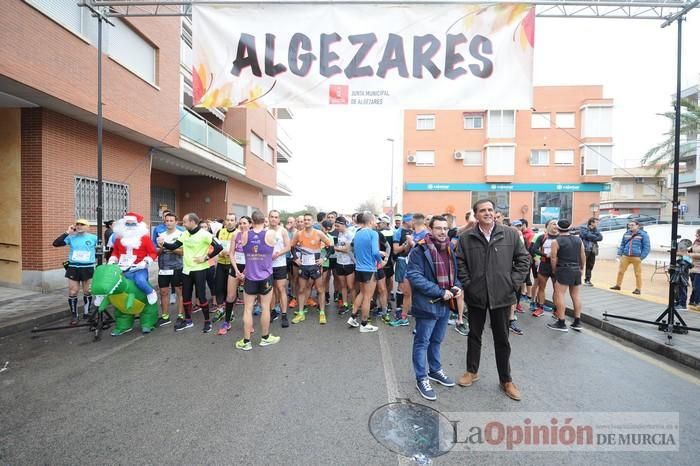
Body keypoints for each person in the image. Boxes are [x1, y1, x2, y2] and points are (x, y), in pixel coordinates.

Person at [455, 199, 530, 401]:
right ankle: (472, 371)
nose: (487, 213)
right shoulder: (466, 237)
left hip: (502, 296)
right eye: (482, 211)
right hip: (476, 295)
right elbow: (459, 262)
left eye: (490, 210)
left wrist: (512, 282)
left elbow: (524, 260)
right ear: (476, 215)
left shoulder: (510, 234)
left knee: (502, 339)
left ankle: (506, 380)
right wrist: (469, 284)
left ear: (495, 213)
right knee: (474, 335)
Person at [408, 216, 462, 401]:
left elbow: (455, 273)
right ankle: (421, 378)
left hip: (445, 303)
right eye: (438, 228)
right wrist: (439, 291)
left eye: (445, 228)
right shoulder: (420, 249)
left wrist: (457, 286)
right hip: (427, 304)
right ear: (430, 229)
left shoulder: (449, 247)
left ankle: (435, 370)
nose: (442, 232)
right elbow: (414, 276)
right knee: (422, 341)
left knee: (437, 340)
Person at [159, 212, 223, 333]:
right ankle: (188, 321)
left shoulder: (205, 234)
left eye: (184, 222)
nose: (182, 224)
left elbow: (219, 247)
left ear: (193, 222)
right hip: (186, 270)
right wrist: (164, 244)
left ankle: (207, 322)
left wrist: (206, 258)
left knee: (202, 297)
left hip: (199, 270)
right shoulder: (185, 234)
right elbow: (174, 246)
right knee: (186, 297)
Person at [234, 210, 281, 351]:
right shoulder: (271, 234)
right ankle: (265, 338)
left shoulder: (244, 234)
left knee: (248, 309)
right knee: (265, 308)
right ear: (264, 220)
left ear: (252, 222)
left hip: (250, 277)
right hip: (265, 277)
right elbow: (276, 247)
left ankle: (246, 341)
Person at [108, 213, 159, 307]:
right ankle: (104, 298)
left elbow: (153, 253)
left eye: (133, 224)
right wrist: (112, 259)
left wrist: (145, 262)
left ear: (138, 225)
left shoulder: (145, 239)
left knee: (140, 281)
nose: (130, 226)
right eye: (128, 224)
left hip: (139, 268)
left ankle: (150, 292)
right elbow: (115, 252)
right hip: (122, 268)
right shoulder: (119, 239)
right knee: (112, 282)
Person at [52, 218, 97, 325]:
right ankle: (74, 315)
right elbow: (56, 243)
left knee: (88, 291)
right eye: (77, 224)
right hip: (73, 267)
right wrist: (67, 232)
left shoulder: (94, 238)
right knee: (73, 291)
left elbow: (100, 251)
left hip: (88, 267)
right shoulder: (71, 238)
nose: (79, 226)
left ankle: (87, 313)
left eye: (82, 224)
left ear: (87, 227)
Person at [290, 213, 333, 324]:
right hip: (303, 266)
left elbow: (330, 247)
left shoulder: (318, 233)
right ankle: (301, 313)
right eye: (305, 220)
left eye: (309, 220)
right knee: (301, 289)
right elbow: (292, 247)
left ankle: (322, 313)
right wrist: (296, 259)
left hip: (315, 266)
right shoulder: (298, 234)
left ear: (313, 221)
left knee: (320, 289)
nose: (306, 221)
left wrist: (323, 259)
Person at [347, 213, 383, 333]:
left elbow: (353, 249)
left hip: (359, 268)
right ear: (371, 221)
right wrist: (381, 261)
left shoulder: (357, 233)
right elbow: (374, 251)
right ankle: (364, 324)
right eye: (375, 220)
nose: (376, 222)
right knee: (368, 297)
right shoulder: (373, 233)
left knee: (362, 293)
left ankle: (352, 317)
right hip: (369, 269)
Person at [547, 220, 585, 332]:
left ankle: (561, 322)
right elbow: (582, 255)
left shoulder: (556, 241)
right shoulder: (578, 240)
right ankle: (577, 321)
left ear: (558, 228)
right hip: (576, 269)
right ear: (570, 227)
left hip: (563, 269)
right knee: (576, 295)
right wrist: (582, 268)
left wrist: (554, 270)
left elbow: (553, 258)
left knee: (560, 295)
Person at [218, 216, 251, 335]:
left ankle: (248, 323)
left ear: (250, 224)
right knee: (230, 296)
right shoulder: (235, 236)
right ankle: (227, 322)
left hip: (249, 269)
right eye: (241, 223)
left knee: (248, 299)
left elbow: (253, 256)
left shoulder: (253, 237)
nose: (242, 225)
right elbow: (231, 254)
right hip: (235, 268)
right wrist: (237, 270)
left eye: (245, 223)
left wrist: (245, 272)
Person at [155, 212, 184, 327]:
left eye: (171, 221)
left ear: (176, 222)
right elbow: (156, 252)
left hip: (177, 267)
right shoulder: (160, 235)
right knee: (163, 292)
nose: (169, 223)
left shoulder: (181, 234)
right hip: (163, 268)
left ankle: (180, 315)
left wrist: (168, 247)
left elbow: (183, 251)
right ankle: (165, 316)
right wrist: (161, 248)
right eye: (167, 221)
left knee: (179, 292)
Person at [610, 220, 650, 295]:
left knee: (638, 274)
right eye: (629, 225)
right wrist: (619, 254)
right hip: (625, 256)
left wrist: (641, 257)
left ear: (638, 226)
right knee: (620, 271)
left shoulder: (643, 234)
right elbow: (622, 244)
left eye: (632, 225)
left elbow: (647, 247)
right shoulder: (626, 233)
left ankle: (638, 289)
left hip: (636, 257)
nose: (631, 226)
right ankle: (618, 285)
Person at [529, 219, 559, 317]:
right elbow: (533, 249)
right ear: (548, 226)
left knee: (557, 289)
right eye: (553, 224)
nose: (556, 225)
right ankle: (540, 308)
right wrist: (545, 254)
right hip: (544, 265)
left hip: (557, 266)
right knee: (541, 287)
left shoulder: (561, 237)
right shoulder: (542, 237)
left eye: (557, 224)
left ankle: (556, 310)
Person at [269, 210, 291, 327]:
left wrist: (278, 253)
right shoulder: (264, 230)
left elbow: (288, 247)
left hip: (280, 264)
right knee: (270, 289)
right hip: (267, 265)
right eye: (272, 217)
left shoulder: (283, 231)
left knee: (281, 288)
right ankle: (272, 311)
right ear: (269, 218)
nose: (273, 219)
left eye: (276, 217)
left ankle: (284, 314)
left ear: (279, 219)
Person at [213, 214, 237, 322]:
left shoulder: (238, 233)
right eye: (227, 220)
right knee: (218, 287)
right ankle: (220, 309)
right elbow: (215, 246)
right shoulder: (220, 232)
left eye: (232, 220)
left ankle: (230, 311)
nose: (229, 222)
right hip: (221, 263)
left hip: (232, 264)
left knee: (230, 290)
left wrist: (232, 253)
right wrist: (219, 252)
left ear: (235, 222)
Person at [334, 216, 356, 315]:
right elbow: (342, 247)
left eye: (337, 226)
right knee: (343, 286)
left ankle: (355, 305)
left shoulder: (350, 234)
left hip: (349, 263)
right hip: (339, 262)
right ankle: (345, 304)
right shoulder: (339, 234)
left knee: (351, 286)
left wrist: (335, 248)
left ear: (343, 224)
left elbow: (347, 249)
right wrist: (337, 248)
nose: (336, 228)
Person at [579, 217, 603, 286]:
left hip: (593, 250)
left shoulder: (596, 230)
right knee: (581, 264)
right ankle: (577, 279)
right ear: (592, 223)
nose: (598, 224)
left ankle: (587, 280)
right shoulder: (583, 228)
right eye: (596, 222)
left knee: (590, 265)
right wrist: (594, 236)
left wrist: (591, 236)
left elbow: (601, 238)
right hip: (584, 249)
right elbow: (586, 235)